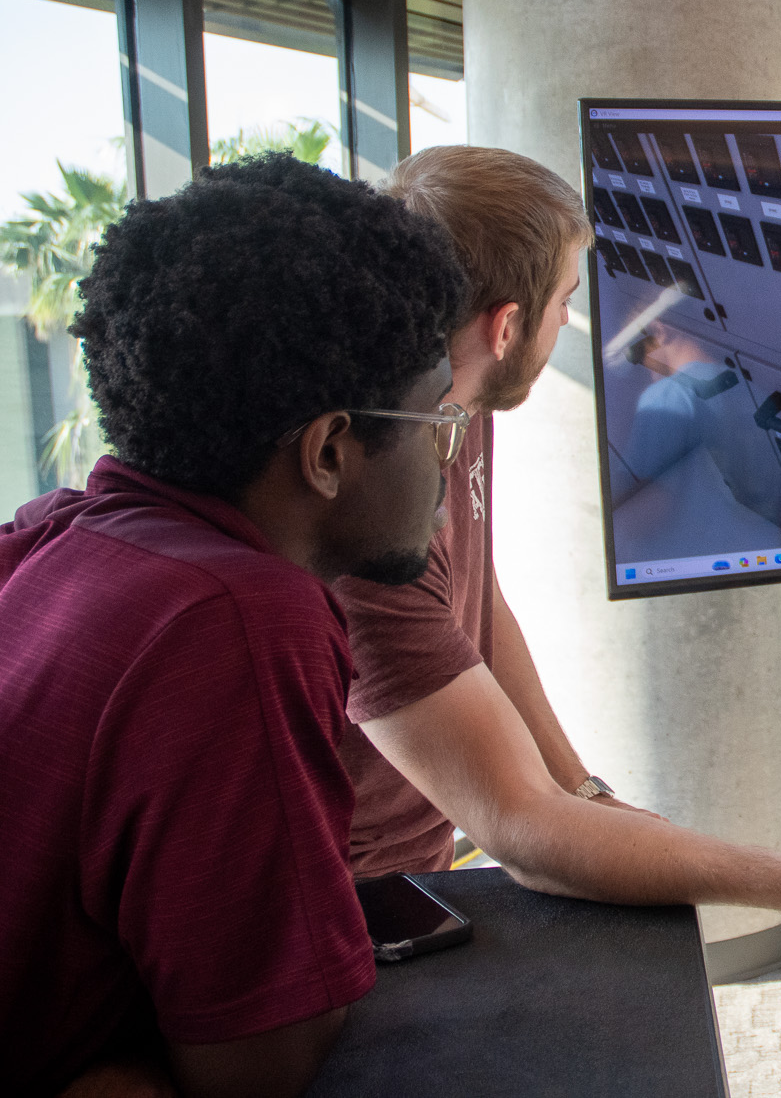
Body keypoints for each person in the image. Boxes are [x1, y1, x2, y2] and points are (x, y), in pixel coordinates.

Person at [333, 145, 781, 945]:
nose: (571, 319)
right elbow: (522, 830)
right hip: (349, 890)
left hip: (422, 849)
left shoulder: (462, 405)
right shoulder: (376, 513)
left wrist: (582, 788)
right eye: (564, 299)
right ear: (506, 326)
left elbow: (476, 602)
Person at [0, 155, 469, 1097]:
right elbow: (262, 1061)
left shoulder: (54, 531)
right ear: (330, 450)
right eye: (434, 422)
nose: (445, 460)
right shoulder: (238, 619)